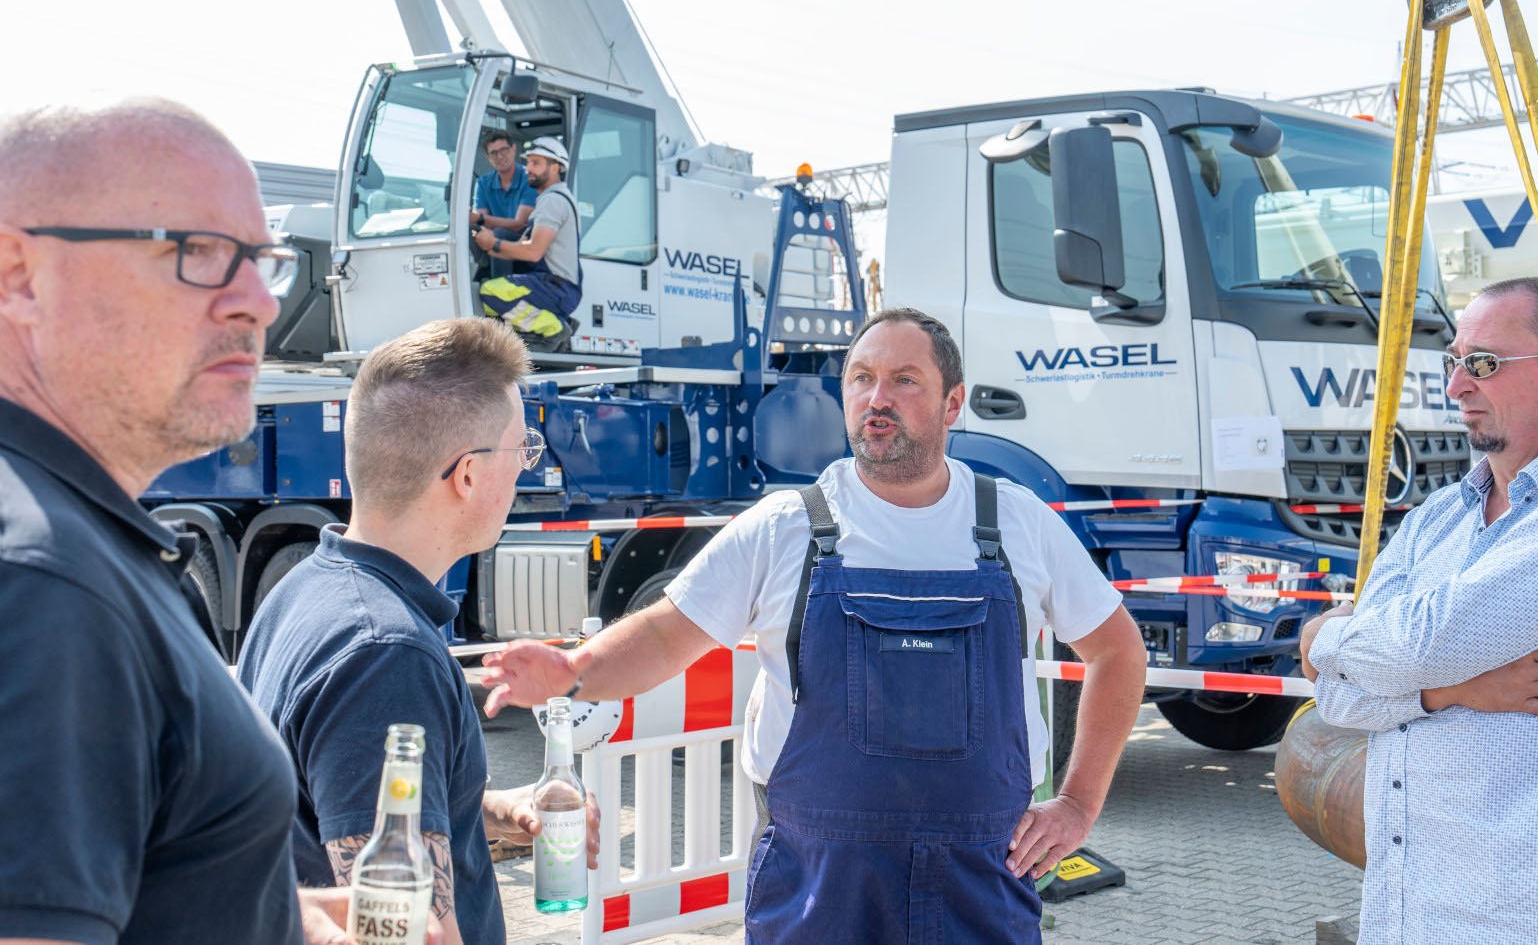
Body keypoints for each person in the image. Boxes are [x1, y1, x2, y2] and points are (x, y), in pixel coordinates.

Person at [479, 307, 1148, 944]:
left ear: (953, 404)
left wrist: (1078, 804)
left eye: (903, 380)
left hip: (981, 888)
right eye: (861, 379)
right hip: (818, 893)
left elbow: (1118, 652)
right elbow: (663, 635)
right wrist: (573, 672)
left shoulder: (1017, 522)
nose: (876, 398)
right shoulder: (786, 527)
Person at [0, 98, 421, 945]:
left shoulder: (80, 545)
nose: (258, 306)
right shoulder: (47, 584)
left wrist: (285, 917)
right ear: (19, 275)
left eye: (259, 261)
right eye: (194, 252)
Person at [237, 316, 600, 945]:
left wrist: (486, 811)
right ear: (466, 475)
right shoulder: (386, 655)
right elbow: (407, 926)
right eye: (523, 450)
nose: (524, 471)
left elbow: (347, 809)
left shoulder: (305, 588)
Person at [1300, 276, 1538, 945]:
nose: (1456, 387)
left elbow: (1414, 647)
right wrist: (1449, 691)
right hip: (1412, 906)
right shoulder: (1438, 517)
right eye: (1454, 362)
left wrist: (1324, 633)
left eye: (1485, 364)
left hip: (1537, 916)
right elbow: (1338, 703)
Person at [475, 137, 582, 351]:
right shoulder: (551, 199)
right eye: (528, 163)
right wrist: (489, 246)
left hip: (555, 287)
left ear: (556, 167)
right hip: (552, 286)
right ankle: (534, 330)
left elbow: (533, 252)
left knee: (490, 291)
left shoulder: (553, 201)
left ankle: (553, 327)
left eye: (536, 163)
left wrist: (494, 242)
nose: (528, 169)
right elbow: (520, 249)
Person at [469, 131, 537, 255]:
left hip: (524, 243)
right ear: (487, 157)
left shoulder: (529, 178)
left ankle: (497, 273)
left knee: (498, 234)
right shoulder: (483, 183)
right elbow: (481, 223)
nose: (499, 157)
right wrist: (478, 219)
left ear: (513, 149)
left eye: (504, 150)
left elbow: (519, 225)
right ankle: (482, 268)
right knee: (472, 232)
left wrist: (481, 219)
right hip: (492, 241)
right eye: (493, 153)